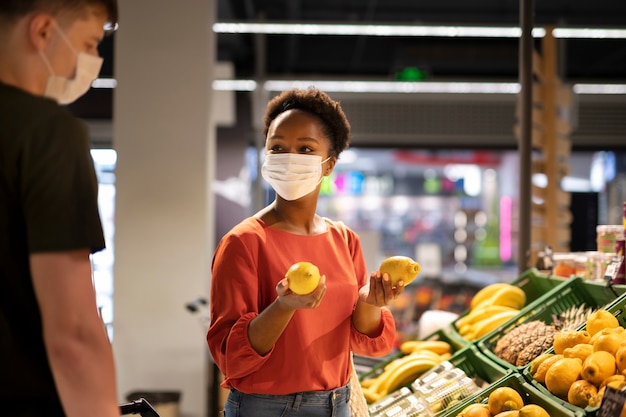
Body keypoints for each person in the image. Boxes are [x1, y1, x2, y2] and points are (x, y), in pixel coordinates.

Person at [207, 87, 404, 417]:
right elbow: (230, 356)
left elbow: (359, 336)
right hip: (266, 409)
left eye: (305, 149)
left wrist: (371, 302)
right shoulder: (243, 242)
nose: (289, 158)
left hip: (338, 403)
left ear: (328, 165)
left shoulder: (345, 240)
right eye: (278, 147)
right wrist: (283, 307)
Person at [0, 1, 119, 417]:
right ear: (43, 31)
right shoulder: (46, 134)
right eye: (89, 43)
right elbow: (73, 335)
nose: (86, 64)